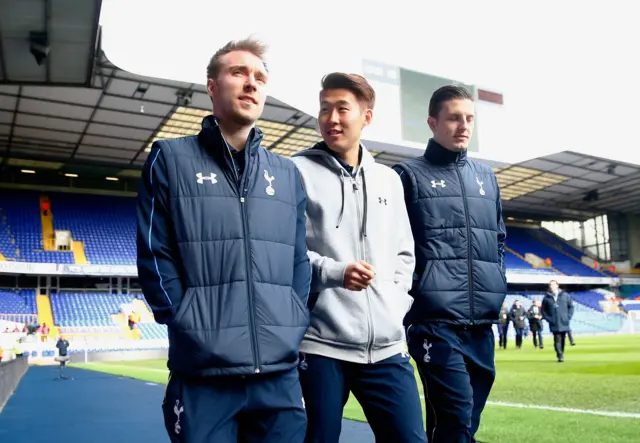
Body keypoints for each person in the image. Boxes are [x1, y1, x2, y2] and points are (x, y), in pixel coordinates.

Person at [136, 38, 311, 443]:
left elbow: (299, 260)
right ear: (212, 86)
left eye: (260, 77)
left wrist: (294, 313)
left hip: (278, 376)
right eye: (238, 73)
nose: (251, 84)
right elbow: (154, 252)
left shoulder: (286, 174)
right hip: (203, 374)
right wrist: (186, 320)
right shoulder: (170, 157)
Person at [291, 73, 426, 443]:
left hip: (386, 347)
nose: (331, 118)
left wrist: (395, 305)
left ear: (366, 116)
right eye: (324, 109)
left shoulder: (389, 180)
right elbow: (286, 252)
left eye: (342, 109)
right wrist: (334, 272)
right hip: (320, 344)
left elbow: (404, 253)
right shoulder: (295, 172)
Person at [393, 85, 507, 442]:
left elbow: (498, 239)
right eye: (454, 117)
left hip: (481, 323)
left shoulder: (486, 178)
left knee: (462, 424)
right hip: (435, 322)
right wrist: (418, 296)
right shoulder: (408, 176)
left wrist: (496, 285)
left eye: (469, 118)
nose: (464, 126)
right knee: (455, 419)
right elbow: (395, 245)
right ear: (432, 122)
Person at [541, 280, 574, 362]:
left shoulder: (565, 295)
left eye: (553, 285)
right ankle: (560, 355)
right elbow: (543, 310)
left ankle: (561, 352)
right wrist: (549, 319)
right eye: (550, 285)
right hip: (554, 322)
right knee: (557, 339)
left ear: (557, 285)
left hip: (564, 321)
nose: (552, 286)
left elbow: (571, 307)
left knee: (563, 339)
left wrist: (568, 317)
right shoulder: (546, 297)